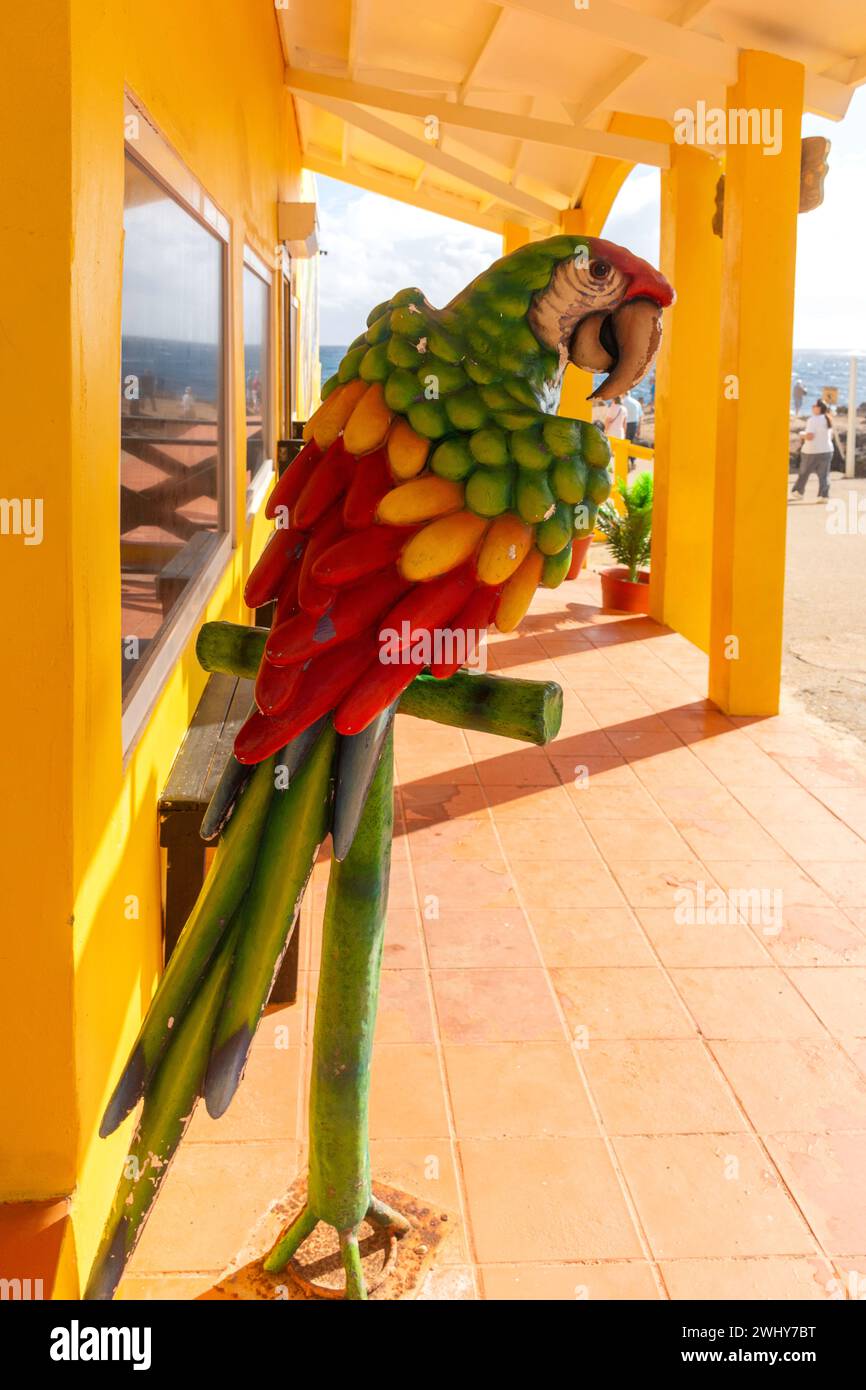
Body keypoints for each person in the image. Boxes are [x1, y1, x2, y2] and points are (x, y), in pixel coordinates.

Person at [791, 399, 834, 501]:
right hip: (827, 450)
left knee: (804, 473)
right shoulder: (828, 419)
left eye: (814, 405)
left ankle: (798, 492)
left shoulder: (813, 420)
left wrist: (801, 434)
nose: (812, 407)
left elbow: (810, 436)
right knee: (824, 475)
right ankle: (824, 495)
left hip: (811, 451)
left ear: (819, 408)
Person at [623, 391, 642, 468]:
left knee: (625, 443)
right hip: (634, 424)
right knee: (632, 443)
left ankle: (626, 462)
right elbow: (640, 417)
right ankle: (633, 462)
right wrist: (639, 428)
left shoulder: (622, 402)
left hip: (625, 424)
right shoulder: (637, 403)